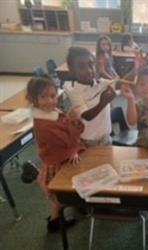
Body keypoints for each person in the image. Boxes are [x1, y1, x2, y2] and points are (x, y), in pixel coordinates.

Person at [26, 75, 85, 233]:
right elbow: (69, 140)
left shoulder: (51, 112)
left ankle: (56, 217)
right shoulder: (44, 124)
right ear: (33, 98)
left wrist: (73, 123)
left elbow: (70, 134)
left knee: (59, 196)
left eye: (52, 96)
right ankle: (55, 220)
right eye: (43, 97)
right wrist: (73, 122)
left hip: (59, 158)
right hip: (57, 163)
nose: (50, 101)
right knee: (60, 196)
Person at [65, 46, 116, 146]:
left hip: (106, 138)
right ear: (72, 70)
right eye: (81, 67)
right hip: (88, 142)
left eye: (90, 65)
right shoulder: (74, 91)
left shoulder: (100, 83)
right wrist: (104, 102)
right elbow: (86, 116)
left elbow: (120, 83)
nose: (88, 70)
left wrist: (137, 68)